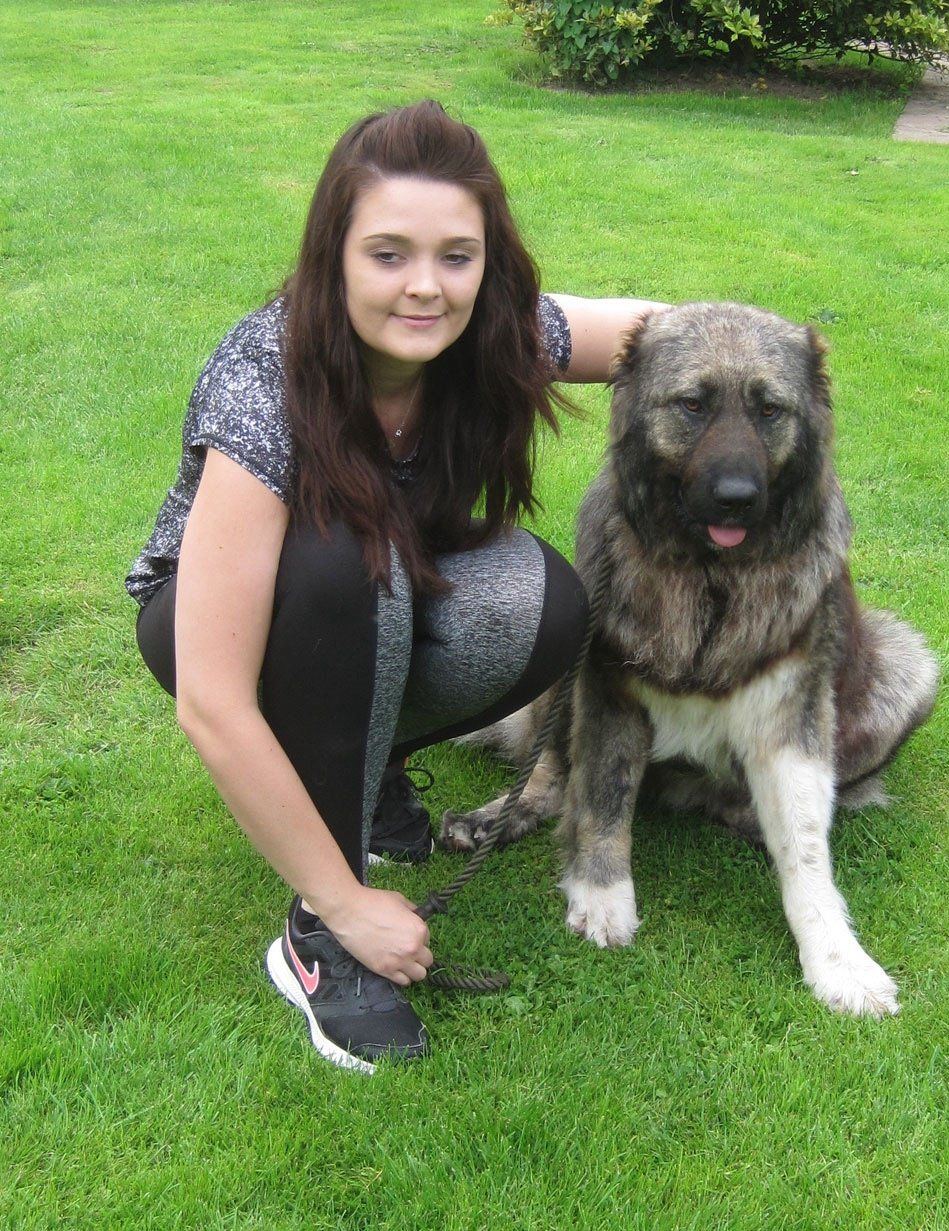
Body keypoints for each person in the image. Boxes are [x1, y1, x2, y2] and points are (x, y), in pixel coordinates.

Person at [127, 100, 667, 1073]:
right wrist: (349, 902)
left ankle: (362, 774)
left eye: (456, 256)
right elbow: (212, 702)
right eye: (388, 254)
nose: (426, 287)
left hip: (380, 596)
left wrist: (769, 357)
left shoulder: (490, 334)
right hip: (220, 628)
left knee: (539, 603)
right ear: (334, 253)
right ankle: (315, 941)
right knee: (344, 558)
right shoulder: (268, 378)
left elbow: (649, 333)